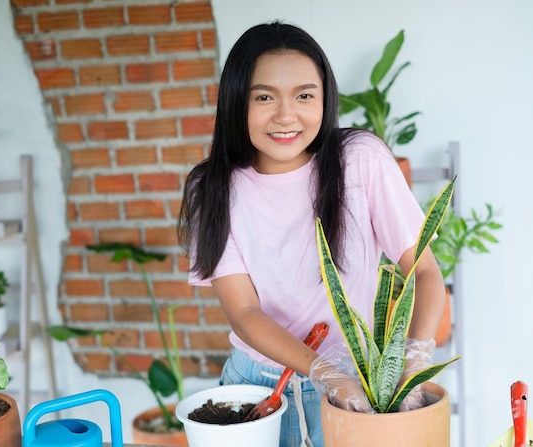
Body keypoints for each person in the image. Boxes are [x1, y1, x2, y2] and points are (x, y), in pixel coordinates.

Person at [177, 21, 445, 447]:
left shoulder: (361, 160)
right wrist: (324, 372)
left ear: (325, 98)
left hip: (359, 390)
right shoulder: (210, 187)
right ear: (235, 102)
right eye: (264, 97)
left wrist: (412, 364)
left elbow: (426, 273)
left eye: (305, 95)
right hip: (256, 391)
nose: (286, 115)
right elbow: (244, 312)